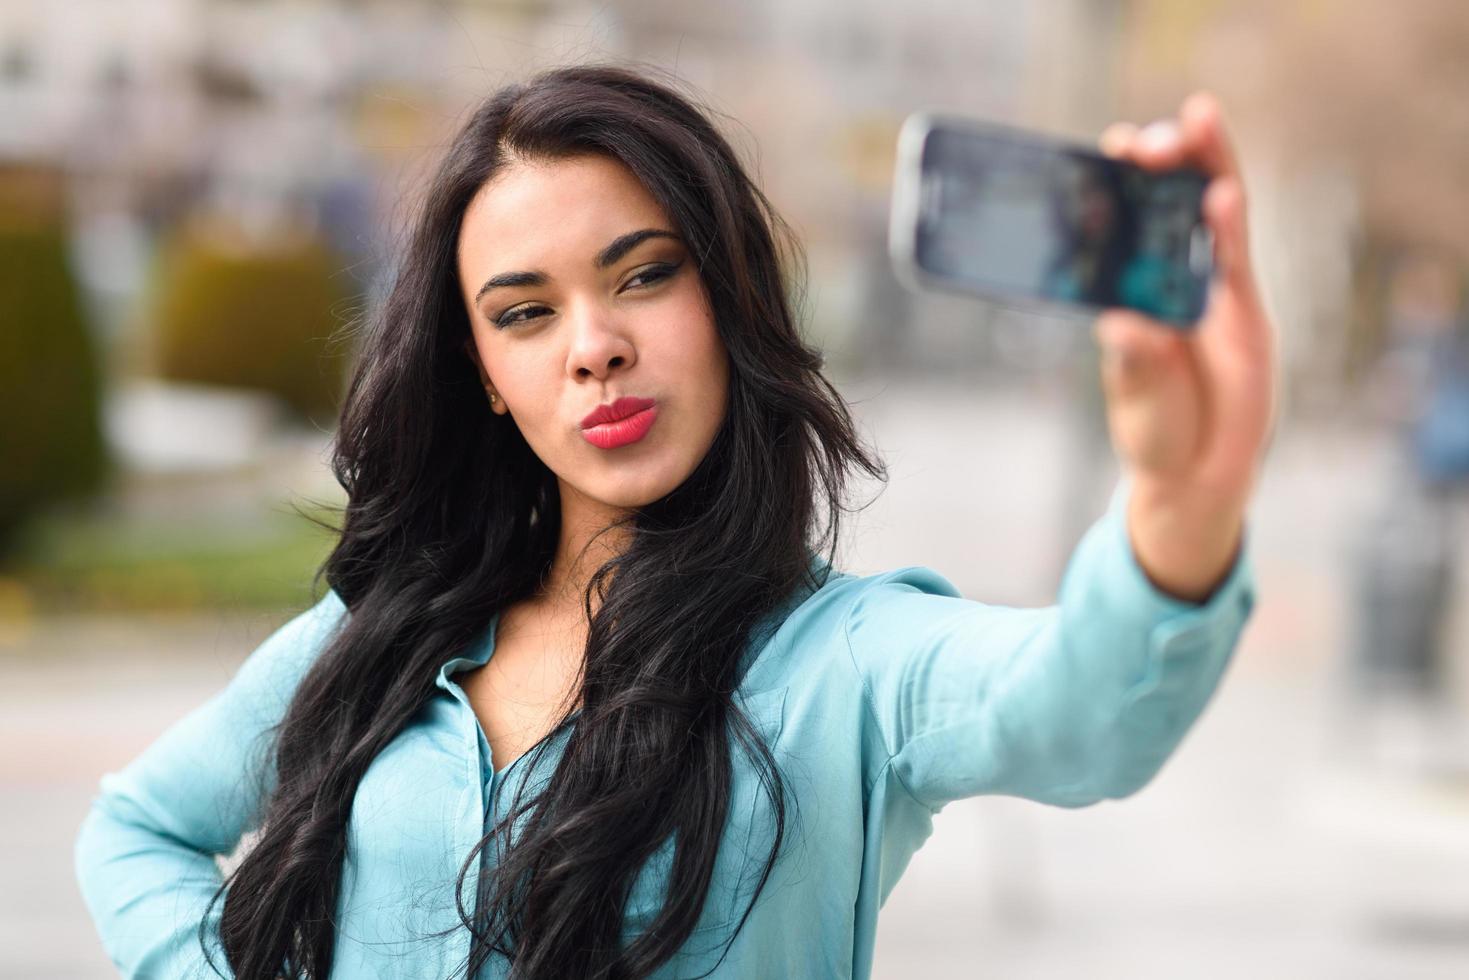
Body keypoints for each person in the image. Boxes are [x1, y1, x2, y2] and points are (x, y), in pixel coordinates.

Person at [74, 66, 1276, 980]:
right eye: (525, 312)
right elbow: (136, 829)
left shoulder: (844, 662)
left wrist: (1180, 499)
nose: (594, 343)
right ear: (483, 370)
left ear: (727, 291)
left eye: (642, 274)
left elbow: (1083, 709)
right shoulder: (380, 635)